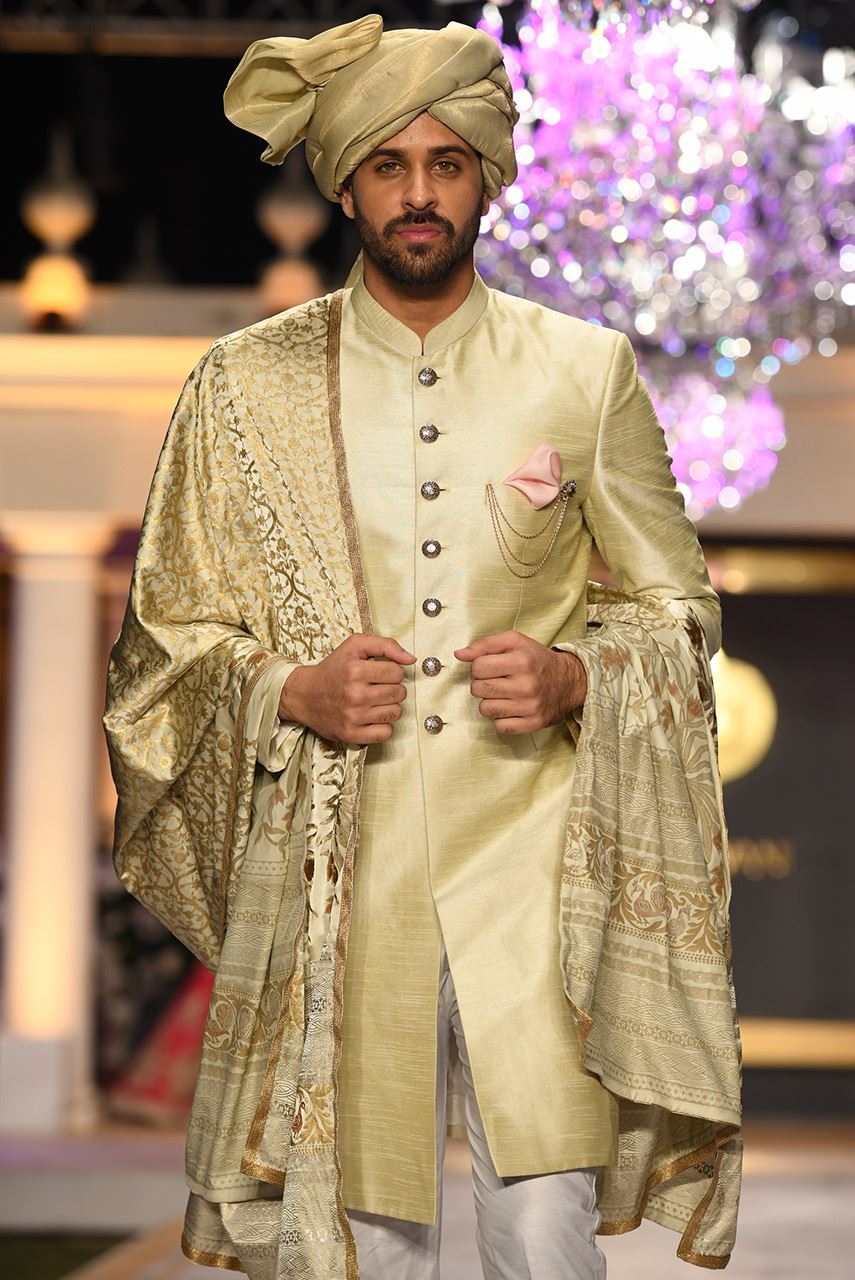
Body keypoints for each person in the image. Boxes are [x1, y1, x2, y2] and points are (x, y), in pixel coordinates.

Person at [103, 15, 742, 1280]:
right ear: (345, 184)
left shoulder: (584, 369)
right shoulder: (246, 386)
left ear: (486, 178)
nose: (418, 194)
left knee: (546, 1232)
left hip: (537, 872)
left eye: (446, 164)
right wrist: (290, 686)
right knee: (365, 1240)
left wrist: (577, 673)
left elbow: (683, 608)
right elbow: (164, 640)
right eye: (388, 166)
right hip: (347, 881)